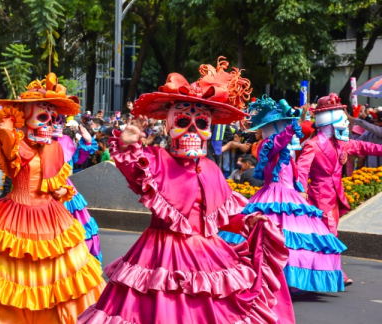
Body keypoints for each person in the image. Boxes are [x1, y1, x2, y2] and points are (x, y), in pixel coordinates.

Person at [80, 60, 294, 324]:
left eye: (201, 122)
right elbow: (134, 171)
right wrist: (126, 146)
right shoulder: (155, 159)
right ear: (170, 124)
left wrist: (249, 221)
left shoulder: (211, 169)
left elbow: (220, 216)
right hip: (159, 257)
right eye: (183, 120)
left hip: (208, 254)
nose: (193, 130)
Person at [0, 73, 105, 323]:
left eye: (52, 117)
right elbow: (6, 140)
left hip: (50, 217)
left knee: (55, 281)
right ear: (26, 116)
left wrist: (59, 190)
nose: (48, 122)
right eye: (42, 115)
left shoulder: (54, 148)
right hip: (14, 213)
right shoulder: (17, 143)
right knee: (3, 277)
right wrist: (10, 121)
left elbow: (55, 181)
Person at [219, 97, 347, 294]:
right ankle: (272, 277)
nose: (288, 126)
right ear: (275, 126)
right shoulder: (267, 145)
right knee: (278, 236)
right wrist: (293, 123)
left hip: (290, 195)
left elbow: (294, 165)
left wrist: (299, 188)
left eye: (287, 123)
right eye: (284, 123)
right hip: (274, 195)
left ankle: (291, 279)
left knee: (296, 239)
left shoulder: (283, 146)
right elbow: (280, 141)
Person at [297, 93, 382, 286]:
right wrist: (301, 189)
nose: (346, 120)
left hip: (334, 196)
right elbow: (302, 168)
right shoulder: (312, 145)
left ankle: (312, 274)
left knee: (322, 236)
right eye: (341, 114)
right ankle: (336, 273)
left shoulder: (341, 143)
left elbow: (365, 146)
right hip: (319, 196)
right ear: (329, 119)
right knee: (329, 234)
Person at [53, 115, 103, 263]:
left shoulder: (65, 142)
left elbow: (77, 160)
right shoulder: (32, 142)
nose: (56, 124)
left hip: (65, 192)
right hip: (40, 191)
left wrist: (87, 141)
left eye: (59, 120)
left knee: (75, 232)